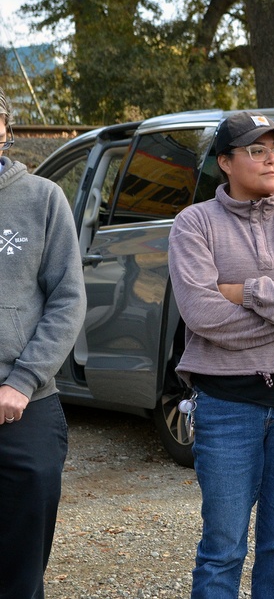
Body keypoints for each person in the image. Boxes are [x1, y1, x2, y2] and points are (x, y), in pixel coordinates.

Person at [167, 111, 274, 599]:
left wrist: (241, 290)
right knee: (222, 547)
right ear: (225, 162)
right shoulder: (194, 223)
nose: (272, 159)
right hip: (226, 404)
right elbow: (201, 314)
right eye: (257, 150)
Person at [0, 86, 87, 599]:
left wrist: (22, 381)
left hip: (24, 404)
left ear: (5, 131)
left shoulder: (42, 199)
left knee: (20, 564)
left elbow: (68, 299)